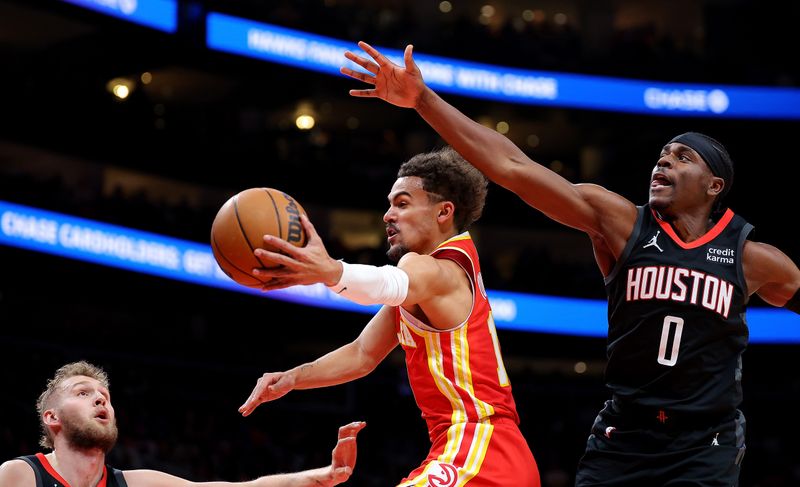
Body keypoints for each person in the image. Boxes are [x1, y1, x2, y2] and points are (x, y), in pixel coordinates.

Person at [338, 41, 800, 486]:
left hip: (706, 441)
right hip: (624, 434)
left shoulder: (755, 259)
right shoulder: (621, 223)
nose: (663, 162)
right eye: (662, 154)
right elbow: (513, 167)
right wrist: (423, 100)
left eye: (683, 157)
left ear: (714, 185)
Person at [238, 147, 540, 486]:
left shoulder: (437, 269)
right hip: (488, 452)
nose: (387, 215)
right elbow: (362, 354)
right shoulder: (426, 285)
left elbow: (390, 283)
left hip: (480, 449)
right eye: (390, 204)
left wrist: (331, 271)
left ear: (444, 212)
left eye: (402, 203)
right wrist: (291, 379)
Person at [0, 361, 365, 487]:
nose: (100, 399)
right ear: (52, 418)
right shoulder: (20, 475)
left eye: (105, 396)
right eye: (83, 393)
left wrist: (321, 476)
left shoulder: (134, 482)